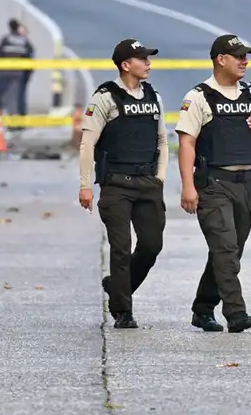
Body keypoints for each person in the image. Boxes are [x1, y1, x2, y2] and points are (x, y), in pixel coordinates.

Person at [176, 34, 251, 333]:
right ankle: (235, 312)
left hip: (245, 184)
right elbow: (187, 143)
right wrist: (188, 186)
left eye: (246, 56)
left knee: (229, 251)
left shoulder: (250, 93)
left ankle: (203, 308)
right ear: (220, 59)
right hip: (214, 184)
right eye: (239, 56)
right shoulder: (199, 96)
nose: (245, 61)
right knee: (226, 250)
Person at [79, 39, 167, 329]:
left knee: (151, 245)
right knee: (120, 247)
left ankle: (117, 288)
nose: (148, 63)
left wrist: (160, 177)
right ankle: (123, 311)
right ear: (126, 65)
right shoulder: (105, 97)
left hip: (148, 183)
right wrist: (85, 185)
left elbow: (162, 140)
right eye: (142, 59)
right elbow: (88, 143)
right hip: (116, 184)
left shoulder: (153, 96)